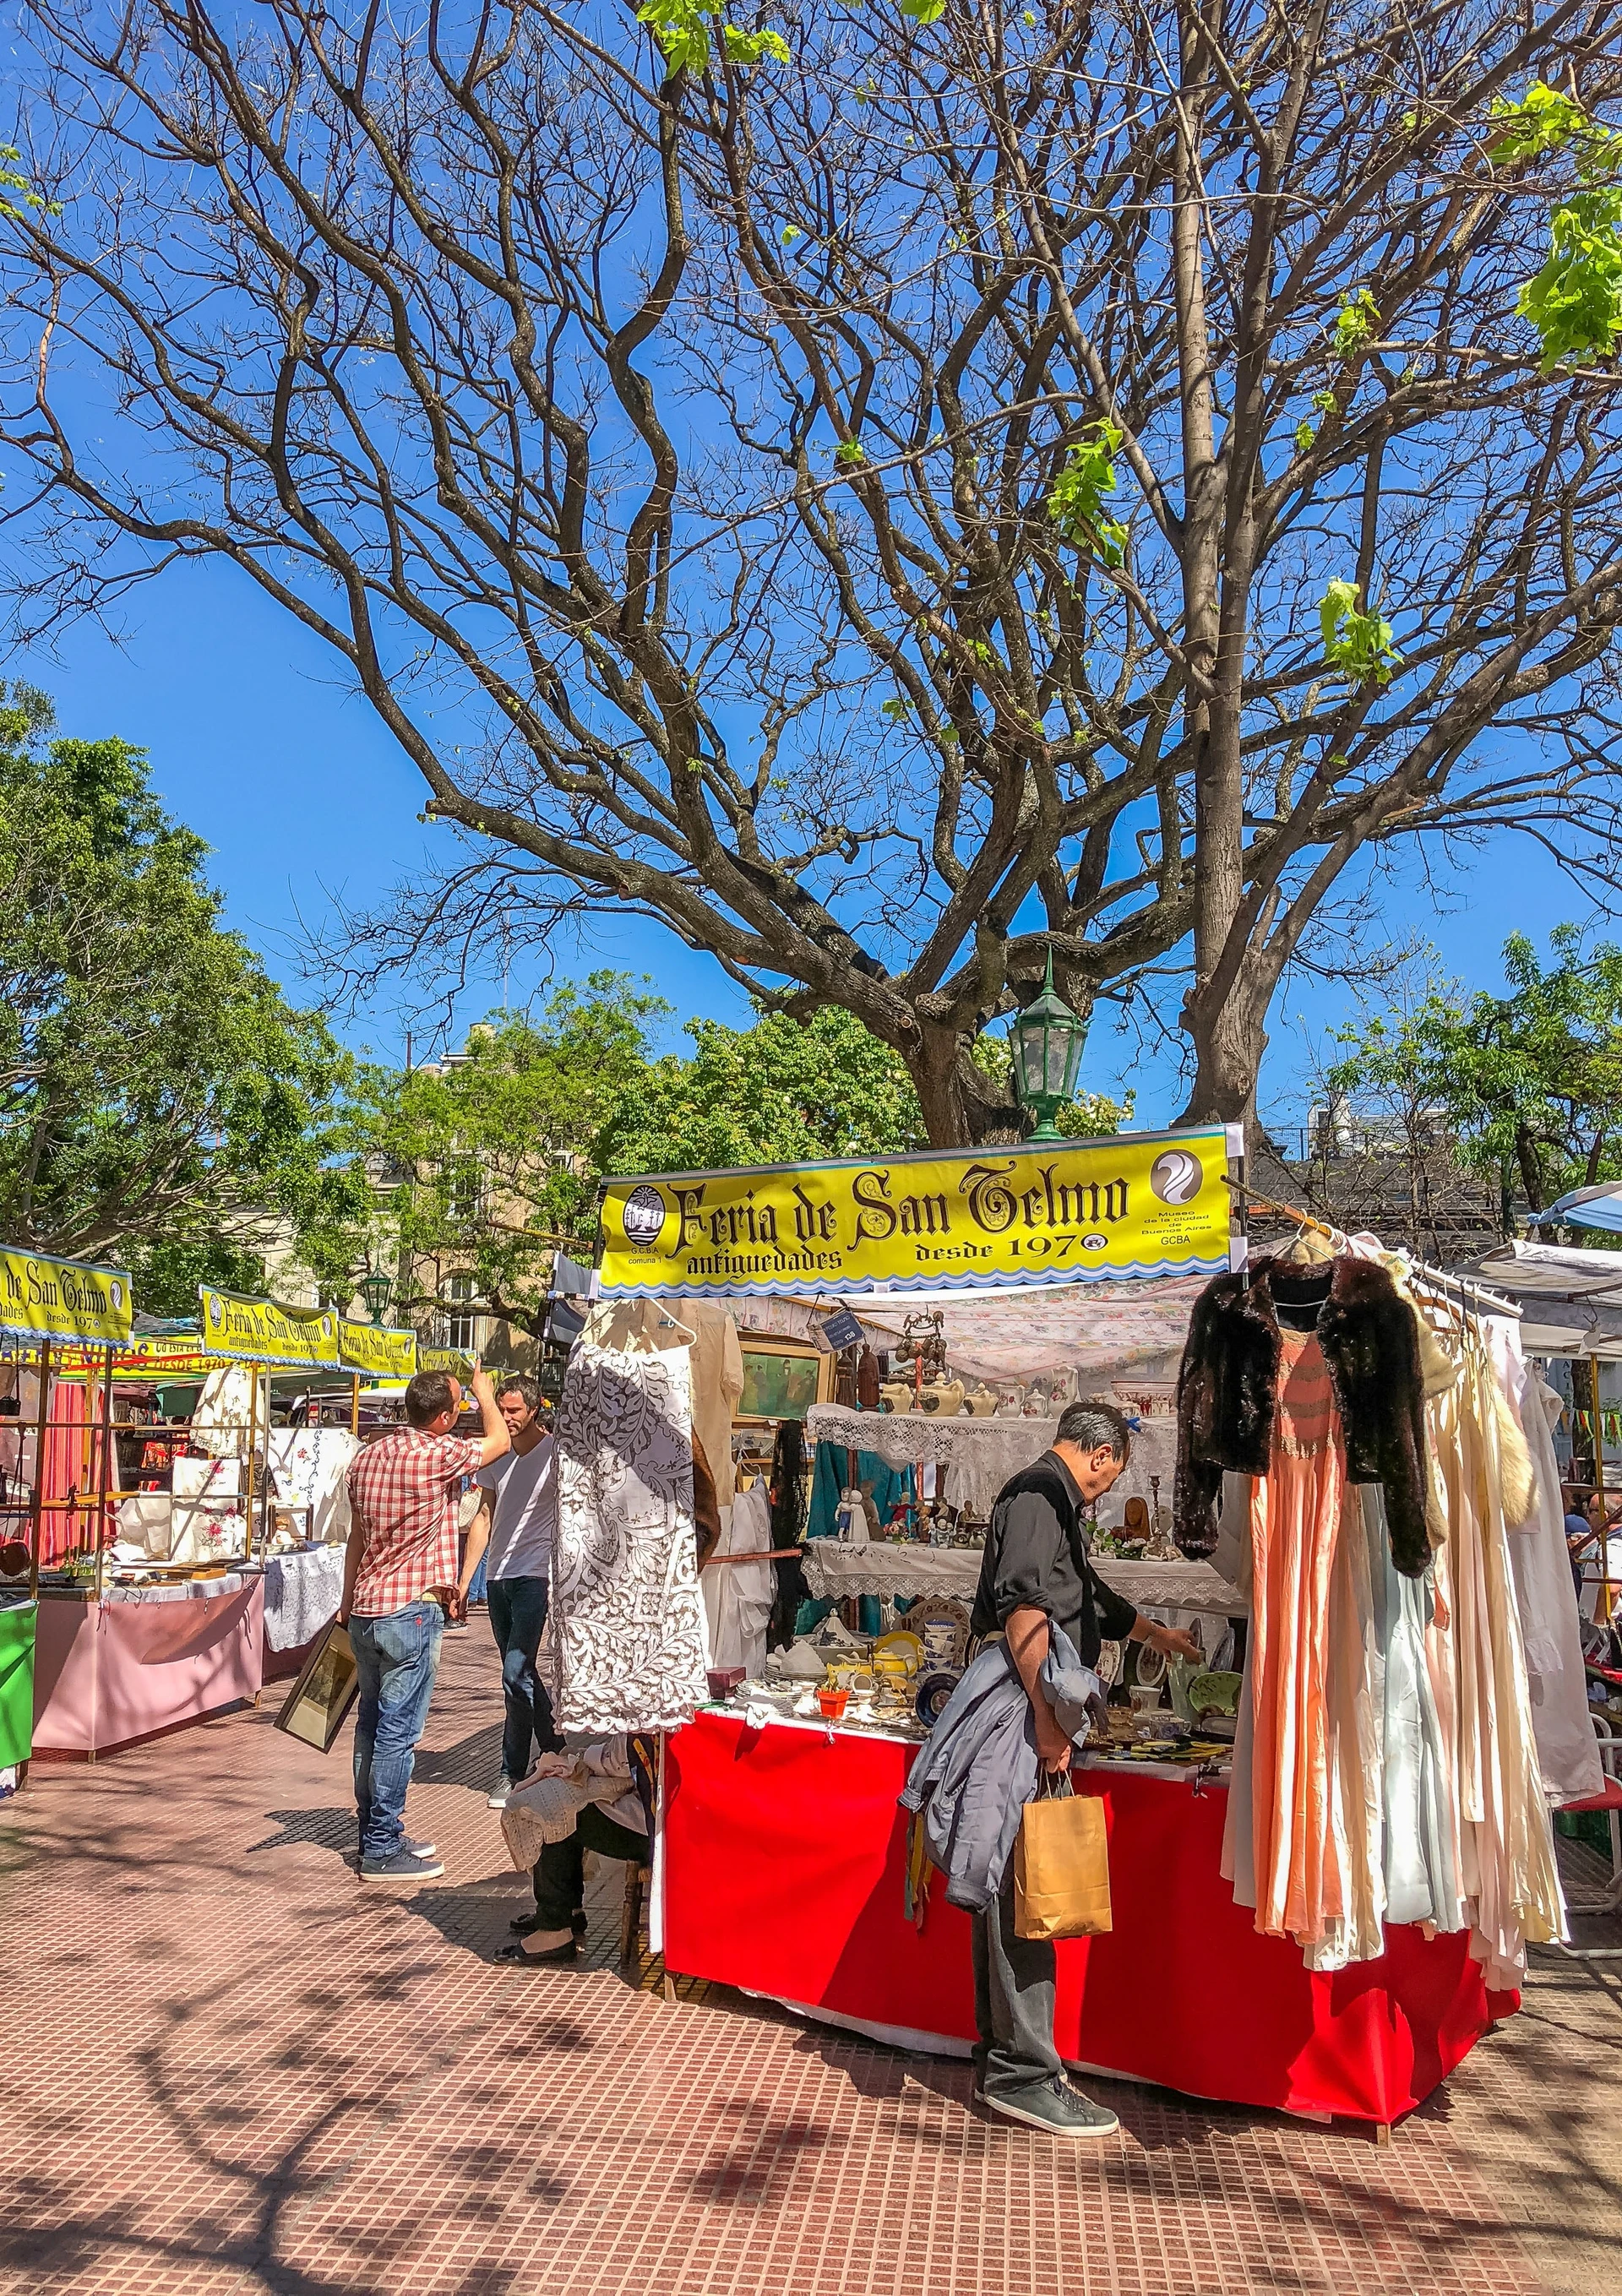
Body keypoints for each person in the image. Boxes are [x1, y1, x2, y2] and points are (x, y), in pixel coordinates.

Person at [966, 1399, 1201, 2139]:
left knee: (1018, 1881)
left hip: (1031, 1705)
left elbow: (1082, 1592)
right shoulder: (1037, 1497)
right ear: (1102, 1456)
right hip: (1023, 1708)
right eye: (1112, 1475)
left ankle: (1007, 2060)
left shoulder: (1052, 1501)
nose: (1107, 1488)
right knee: (1027, 1887)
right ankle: (1025, 2075)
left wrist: (1153, 1633)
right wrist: (1046, 1719)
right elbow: (1028, 1611)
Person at [339, 1365, 510, 1881]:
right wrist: (484, 1394)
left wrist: (346, 1603)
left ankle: (375, 1829)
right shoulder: (435, 1455)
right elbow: (499, 1441)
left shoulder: (365, 1457)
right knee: (397, 1732)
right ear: (443, 1416)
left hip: (366, 1609)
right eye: (456, 1407)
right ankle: (381, 1848)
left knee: (370, 1725)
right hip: (409, 1611)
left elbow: (355, 1539)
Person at [459, 1374, 563, 1809]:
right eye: (501, 1410)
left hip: (535, 1576)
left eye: (514, 1411)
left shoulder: (557, 1453)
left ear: (535, 1409)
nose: (506, 1419)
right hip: (498, 1578)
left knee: (514, 1674)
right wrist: (466, 1582)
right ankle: (555, 1748)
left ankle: (510, 1771)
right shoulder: (497, 1456)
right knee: (518, 1675)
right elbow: (483, 1517)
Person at [494, 1736, 652, 1966]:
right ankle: (567, 1910)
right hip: (651, 1815)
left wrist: (578, 1759)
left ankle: (555, 1929)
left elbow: (621, 1760)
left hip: (648, 1827)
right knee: (563, 1790)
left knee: (547, 1805)